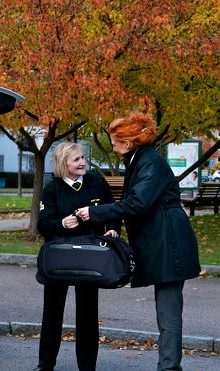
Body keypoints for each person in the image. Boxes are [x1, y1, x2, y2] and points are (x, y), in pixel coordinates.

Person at [75, 113, 200, 371]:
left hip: (170, 245)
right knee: (167, 313)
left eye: (115, 143)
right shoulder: (141, 160)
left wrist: (94, 212)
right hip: (165, 242)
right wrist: (115, 229)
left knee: (168, 315)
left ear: (128, 143)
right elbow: (136, 203)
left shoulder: (149, 163)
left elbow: (137, 204)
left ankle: (169, 368)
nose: (113, 147)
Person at [36, 142, 120, 371]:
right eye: (76, 159)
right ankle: (45, 365)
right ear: (64, 164)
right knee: (52, 313)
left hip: (90, 256)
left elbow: (113, 210)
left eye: (83, 157)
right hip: (59, 257)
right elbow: (43, 225)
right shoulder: (52, 188)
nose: (82, 162)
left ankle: (87, 366)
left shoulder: (96, 182)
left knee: (87, 314)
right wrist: (61, 224)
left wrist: (112, 228)